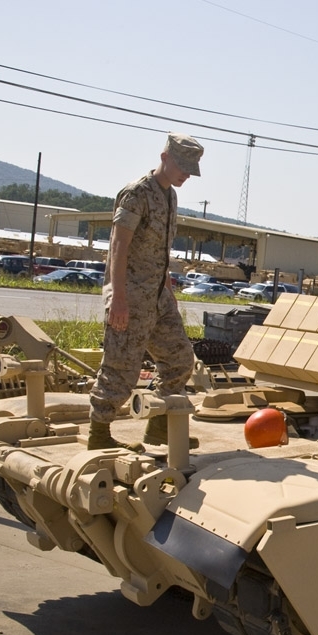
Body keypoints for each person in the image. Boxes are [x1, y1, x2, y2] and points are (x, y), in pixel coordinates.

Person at [87, 133, 204, 450]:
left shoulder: (169, 197)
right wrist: (118, 298)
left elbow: (160, 252)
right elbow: (118, 247)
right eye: (182, 167)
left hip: (158, 297)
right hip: (130, 297)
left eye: (190, 170)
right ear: (164, 157)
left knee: (180, 359)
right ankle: (98, 437)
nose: (185, 175)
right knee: (120, 369)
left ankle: (157, 427)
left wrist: (168, 292)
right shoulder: (136, 193)